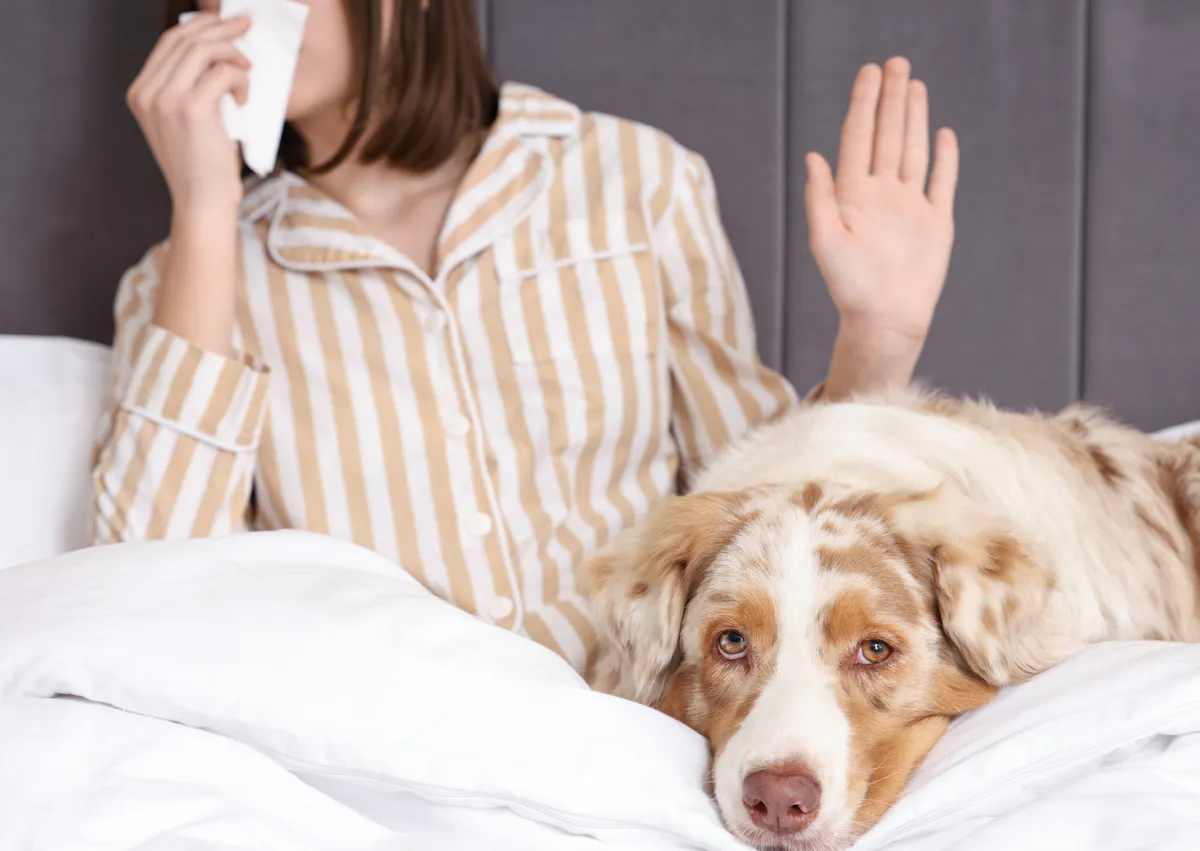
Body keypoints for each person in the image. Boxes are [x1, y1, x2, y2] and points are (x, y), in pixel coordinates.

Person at [92, 0, 958, 674]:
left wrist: (876, 335)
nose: (236, 15)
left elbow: (762, 510)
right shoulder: (185, 284)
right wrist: (204, 206)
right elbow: (149, 593)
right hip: (389, 759)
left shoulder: (635, 181)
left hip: (642, 725)